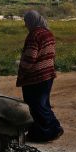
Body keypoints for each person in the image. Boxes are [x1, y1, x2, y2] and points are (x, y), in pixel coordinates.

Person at [17, 10, 63, 142]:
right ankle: (53, 128)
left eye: (26, 21)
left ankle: (48, 132)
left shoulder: (34, 35)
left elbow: (31, 56)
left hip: (35, 77)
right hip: (48, 74)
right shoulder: (48, 33)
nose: (25, 24)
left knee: (36, 107)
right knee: (43, 105)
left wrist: (22, 68)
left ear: (31, 21)